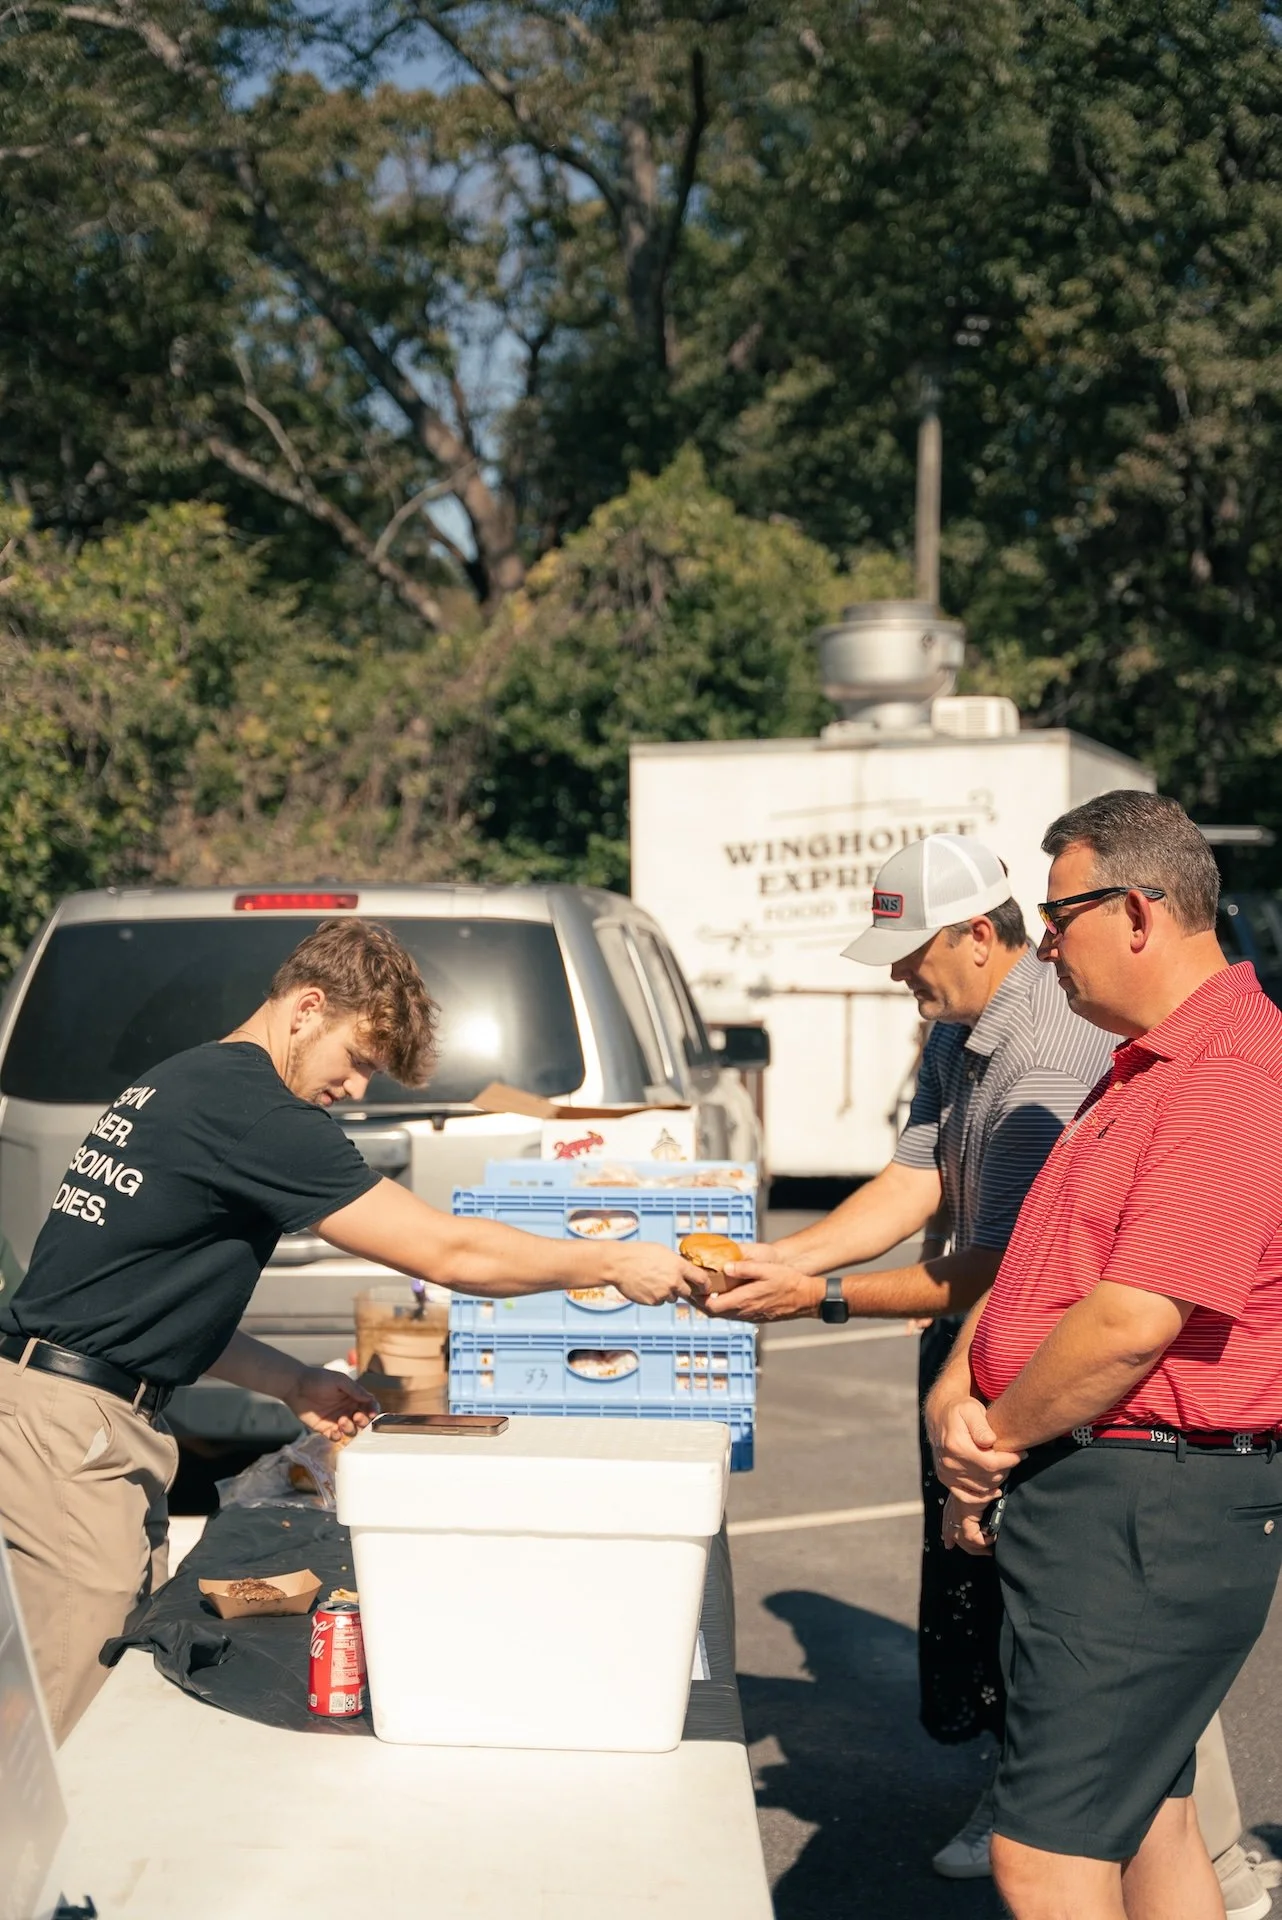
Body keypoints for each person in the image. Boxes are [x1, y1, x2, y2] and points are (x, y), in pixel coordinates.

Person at [0, 917, 700, 1743]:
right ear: (306, 1008)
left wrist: (291, 1383)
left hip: (74, 1416)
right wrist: (608, 1265)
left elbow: (135, 1308)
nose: (358, 1089)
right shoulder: (250, 1109)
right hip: (71, 1438)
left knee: (107, 1691)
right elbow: (449, 1250)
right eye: (359, 1059)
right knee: (67, 1724)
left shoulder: (186, 1081)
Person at [707, 831, 1115, 1877]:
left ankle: (1047, 1819)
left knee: (1044, 1605)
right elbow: (913, 1183)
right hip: (978, 1340)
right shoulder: (955, 1026)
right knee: (977, 1583)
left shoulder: (1048, 1050)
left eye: (908, 947)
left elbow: (1004, 1262)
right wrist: (777, 1257)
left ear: (981, 933)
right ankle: (1040, 1799)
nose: (893, 971)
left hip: (1045, 1360)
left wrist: (819, 1295)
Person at [929, 791, 1282, 1920]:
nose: (1042, 946)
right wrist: (959, 1380)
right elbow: (1046, 1265)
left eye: (1056, 917)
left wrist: (993, 1439)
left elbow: (1134, 1317)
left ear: (1138, 910)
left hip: (1151, 1500)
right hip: (1120, 1491)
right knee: (1149, 1819)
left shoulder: (1228, 1069)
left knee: (1039, 1855)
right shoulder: (1142, 1063)